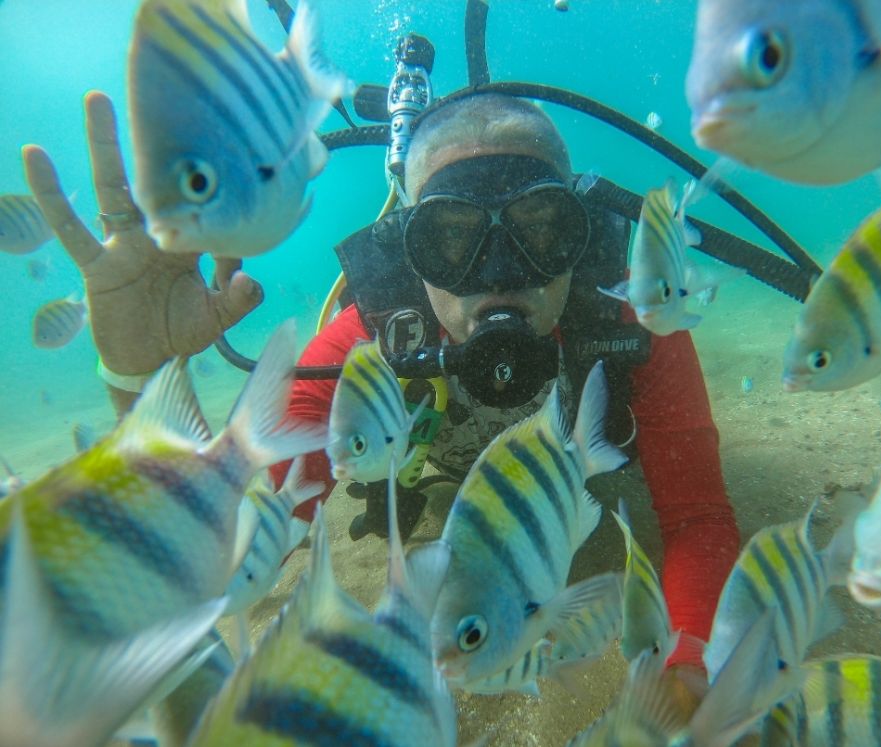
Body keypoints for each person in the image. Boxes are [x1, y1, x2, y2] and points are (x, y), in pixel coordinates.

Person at [23, 92, 739, 678]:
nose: (499, 273)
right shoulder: (370, 341)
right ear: (408, 250)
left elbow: (697, 517)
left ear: (580, 236)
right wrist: (137, 382)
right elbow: (245, 526)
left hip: (561, 502)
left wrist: (684, 670)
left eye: (542, 228)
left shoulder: (633, 317)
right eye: (451, 240)